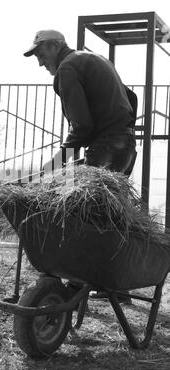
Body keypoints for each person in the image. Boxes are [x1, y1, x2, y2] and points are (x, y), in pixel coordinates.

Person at [24, 29, 137, 304]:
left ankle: (76, 285)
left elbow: (82, 126)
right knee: (106, 216)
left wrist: (56, 163)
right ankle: (116, 286)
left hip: (106, 148)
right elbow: (131, 97)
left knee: (77, 211)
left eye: (40, 53)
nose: (40, 62)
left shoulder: (67, 69)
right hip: (125, 147)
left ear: (54, 46)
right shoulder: (94, 59)